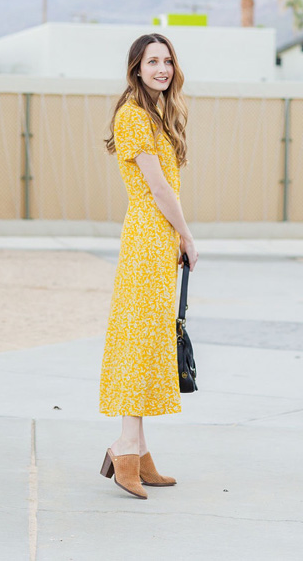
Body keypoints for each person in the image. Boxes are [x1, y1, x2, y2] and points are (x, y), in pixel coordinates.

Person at [99, 33, 199, 500]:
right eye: (152, 61)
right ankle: (125, 448)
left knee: (149, 340)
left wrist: (175, 238)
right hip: (147, 235)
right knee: (138, 340)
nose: (162, 68)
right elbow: (160, 191)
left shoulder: (157, 116)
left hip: (157, 241)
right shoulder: (133, 117)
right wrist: (187, 235)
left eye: (167, 61)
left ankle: (135, 448)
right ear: (136, 68)